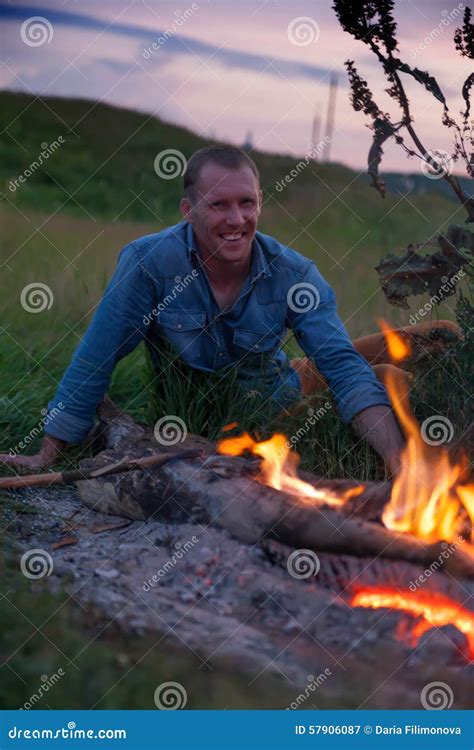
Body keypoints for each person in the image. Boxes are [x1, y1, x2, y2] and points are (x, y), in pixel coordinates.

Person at [0, 145, 458, 475]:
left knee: (438, 336)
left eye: (247, 203)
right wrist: (48, 452)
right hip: (243, 418)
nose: (236, 220)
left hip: (282, 385)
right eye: (218, 204)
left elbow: (339, 364)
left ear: (260, 202)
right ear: (188, 210)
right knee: (385, 378)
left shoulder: (293, 272)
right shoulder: (148, 264)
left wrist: (398, 461)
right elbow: (96, 355)